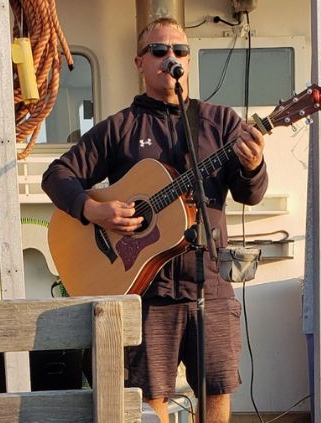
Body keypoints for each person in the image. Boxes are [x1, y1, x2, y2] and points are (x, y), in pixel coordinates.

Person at [41, 17, 268, 423]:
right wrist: (94, 209)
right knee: (149, 398)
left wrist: (254, 166)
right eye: (160, 51)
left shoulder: (221, 123)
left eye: (180, 51)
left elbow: (248, 194)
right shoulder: (120, 128)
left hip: (211, 283)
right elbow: (57, 175)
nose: (171, 58)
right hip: (146, 289)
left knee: (216, 390)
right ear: (139, 62)